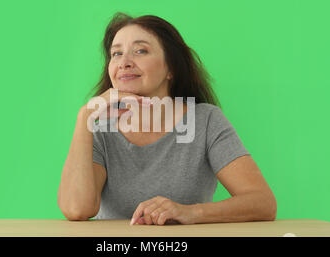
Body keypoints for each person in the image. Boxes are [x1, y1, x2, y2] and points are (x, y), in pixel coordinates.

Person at [57, 13, 277, 226]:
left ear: (171, 68)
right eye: (116, 54)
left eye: (140, 51)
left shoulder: (206, 120)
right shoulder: (100, 129)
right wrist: (84, 116)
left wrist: (189, 212)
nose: (124, 62)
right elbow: (77, 209)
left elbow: (262, 202)